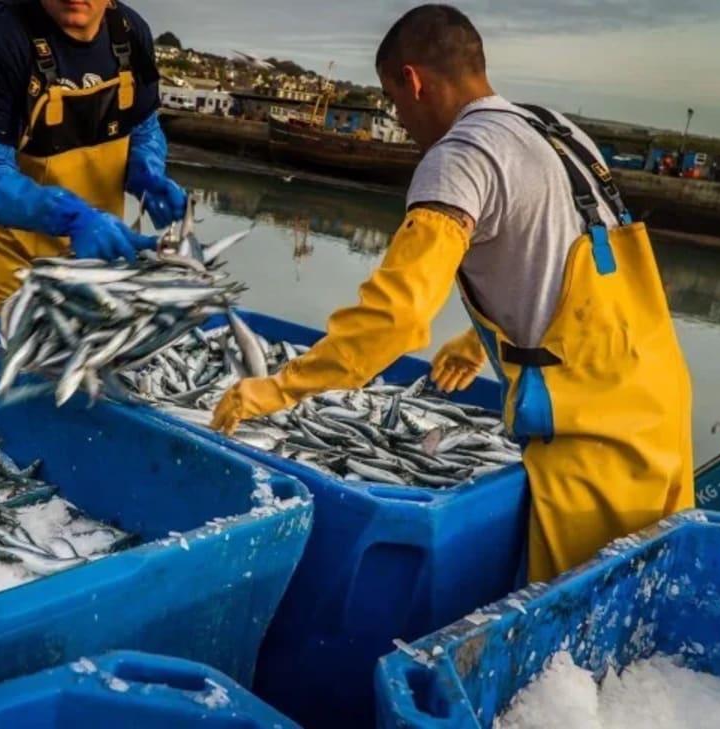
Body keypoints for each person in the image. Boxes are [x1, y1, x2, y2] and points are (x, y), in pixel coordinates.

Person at [211, 4, 694, 583]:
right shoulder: (557, 133)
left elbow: (394, 319)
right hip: (660, 410)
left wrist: (276, 388)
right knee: (643, 605)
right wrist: (475, 339)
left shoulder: (459, 156)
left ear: (411, 81)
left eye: (393, 102)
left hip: (593, 443)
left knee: (575, 630)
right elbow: (587, 266)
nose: (401, 120)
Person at [0, 0, 187, 317]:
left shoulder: (130, 34)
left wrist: (147, 173)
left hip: (93, 264)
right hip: (3, 272)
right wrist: (72, 217)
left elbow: (144, 127)